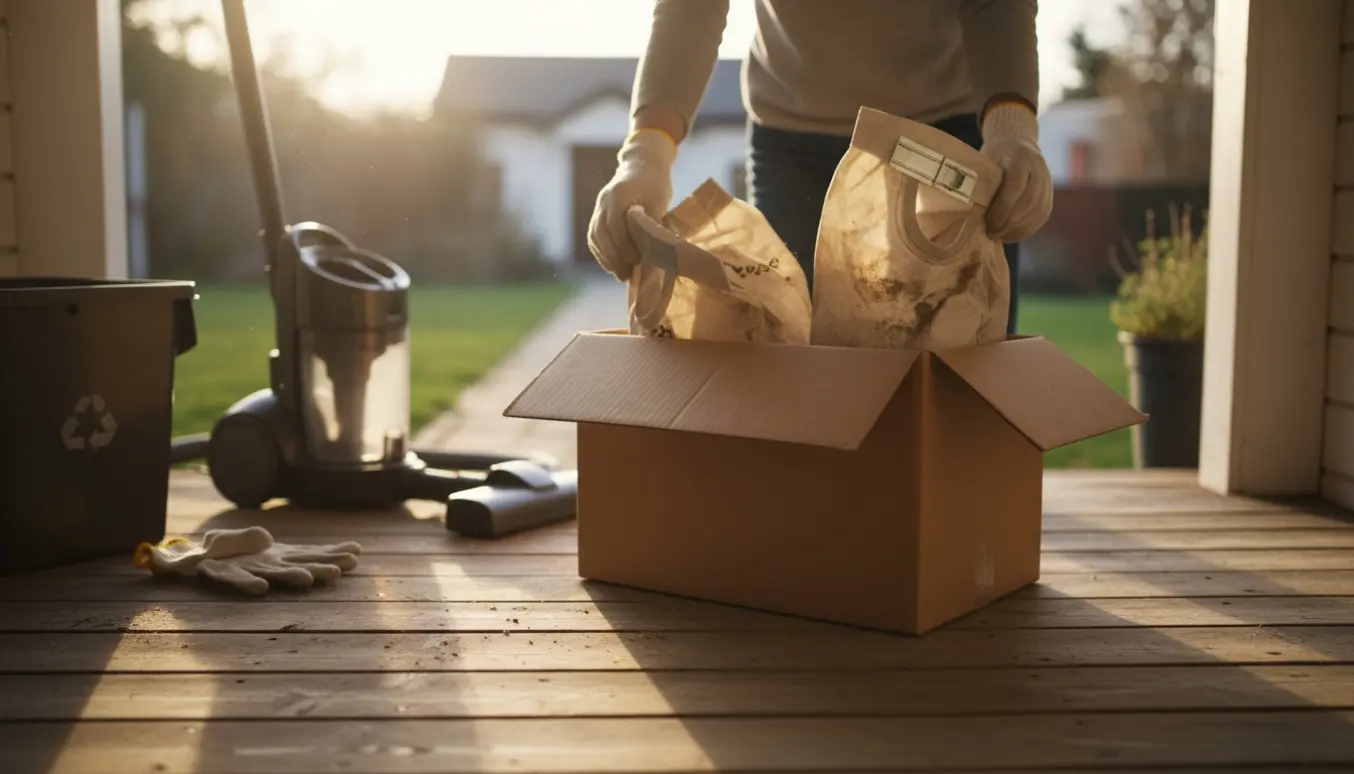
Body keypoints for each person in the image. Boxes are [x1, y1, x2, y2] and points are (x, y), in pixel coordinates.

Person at [587, 0, 1052, 334]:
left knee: (959, 375)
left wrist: (1013, 128)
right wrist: (645, 155)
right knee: (791, 371)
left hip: (943, 137)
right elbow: (691, 9)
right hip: (794, 141)